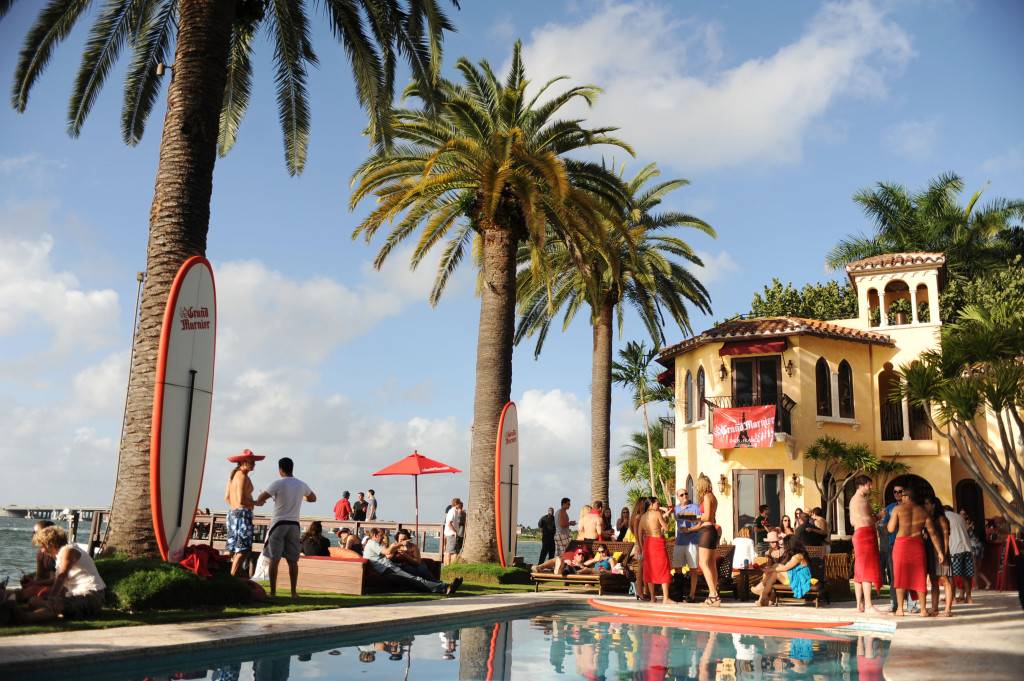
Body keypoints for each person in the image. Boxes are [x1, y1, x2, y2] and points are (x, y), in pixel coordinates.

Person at [254, 457, 316, 599]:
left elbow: (261, 498)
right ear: (292, 468)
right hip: (294, 525)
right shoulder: (301, 484)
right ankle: (293, 593)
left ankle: (273, 592)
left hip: (279, 524)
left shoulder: (278, 483)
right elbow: (313, 498)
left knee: (274, 559)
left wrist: (260, 501)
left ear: (280, 469)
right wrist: (300, 497)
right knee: (293, 561)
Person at [17, 526, 105, 622]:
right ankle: (25, 613)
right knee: (34, 601)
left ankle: (23, 617)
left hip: (90, 596)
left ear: (50, 543)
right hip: (77, 595)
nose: (42, 550)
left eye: (42, 546)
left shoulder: (68, 551)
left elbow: (62, 576)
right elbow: (57, 580)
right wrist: (35, 583)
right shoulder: (62, 554)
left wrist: (51, 598)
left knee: (49, 604)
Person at [887, 487, 944, 617]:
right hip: (917, 546)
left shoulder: (898, 509)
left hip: (901, 545)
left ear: (907, 497)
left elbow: (890, 529)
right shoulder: (923, 512)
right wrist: (940, 552)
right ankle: (923, 610)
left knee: (900, 576)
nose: (901, 497)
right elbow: (933, 534)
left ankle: (900, 609)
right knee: (920, 577)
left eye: (902, 495)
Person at [364, 527, 460, 594]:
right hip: (388, 570)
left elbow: (386, 554)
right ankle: (445, 588)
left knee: (418, 575)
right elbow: (387, 552)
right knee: (416, 579)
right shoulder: (372, 543)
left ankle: (445, 586)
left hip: (392, 568)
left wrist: (398, 548)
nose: (383, 538)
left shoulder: (373, 544)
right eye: (381, 535)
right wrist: (398, 545)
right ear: (375, 535)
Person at [224, 449, 263, 577]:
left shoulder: (233, 476)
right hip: (242, 515)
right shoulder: (241, 476)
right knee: (243, 549)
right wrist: (255, 502)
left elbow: (227, 497)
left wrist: (236, 507)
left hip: (233, 514)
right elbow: (241, 499)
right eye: (251, 462)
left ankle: (223, 575)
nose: (254, 464)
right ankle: (231, 578)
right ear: (243, 462)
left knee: (232, 548)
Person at [849, 474, 883, 613]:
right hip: (865, 536)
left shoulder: (854, 500)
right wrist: (879, 517)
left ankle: (859, 604)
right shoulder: (860, 500)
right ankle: (868, 605)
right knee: (867, 569)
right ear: (861, 485)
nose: (870, 487)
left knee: (859, 570)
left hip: (859, 534)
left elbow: (852, 521)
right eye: (869, 485)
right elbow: (867, 520)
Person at [753, 536, 812, 606]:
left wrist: (770, 569)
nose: (784, 546)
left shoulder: (797, 556)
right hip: (795, 575)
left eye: (785, 544)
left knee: (775, 573)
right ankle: (763, 596)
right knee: (776, 566)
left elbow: (785, 568)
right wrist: (769, 569)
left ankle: (762, 592)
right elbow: (783, 566)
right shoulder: (798, 554)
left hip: (799, 579)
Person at [638, 496, 675, 604]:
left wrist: (642, 547)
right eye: (657, 504)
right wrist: (666, 519)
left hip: (648, 543)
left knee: (650, 569)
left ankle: (652, 597)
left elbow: (639, 534)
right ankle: (665, 598)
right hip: (657, 542)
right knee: (664, 568)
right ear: (651, 504)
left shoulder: (643, 517)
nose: (658, 505)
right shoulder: (657, 513)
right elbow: (666, 528)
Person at [924, 496, 953, 617]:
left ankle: (948, 609)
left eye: (927, 503)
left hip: (940, 552)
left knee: (945, 579)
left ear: (934, 505)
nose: (925, 506)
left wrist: (944, 553)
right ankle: (934, 608)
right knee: (933, 580)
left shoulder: (941, 519)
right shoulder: (929, 519)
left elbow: (946, 537)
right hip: (931, 552)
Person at [672, 488, 702, 602]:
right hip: (679, 541)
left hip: (692, 541)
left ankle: (691, 595)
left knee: (693, 569)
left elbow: (700, 524)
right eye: (682, 494)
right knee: (677, 567)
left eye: (686, 493)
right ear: (678, 497)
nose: (684, 495)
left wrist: (689, 530)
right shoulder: (676, 508)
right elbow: (675, 517)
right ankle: (678, 594)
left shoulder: (695, 507)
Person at [695, 473, 720, 606]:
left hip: (706, 531)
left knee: (703, 563)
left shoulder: (706, 496)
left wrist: (693, 517)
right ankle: (713, 594)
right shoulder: (713, 497)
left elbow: (707, 517)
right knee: (711, 563)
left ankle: (713, 594)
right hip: (711, 531)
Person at [18, 520, 56, 601]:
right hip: (46, 583)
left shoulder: (55, 553)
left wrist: (34, 583)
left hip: (59, 587)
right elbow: (40, 574)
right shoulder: (41, 553)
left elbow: (56, 580)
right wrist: (30, 578)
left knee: (22, 594)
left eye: (36, 532)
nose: (33, 535)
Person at [946, 504, 974, 604]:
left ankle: (952, 598)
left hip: (954, 549)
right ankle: (969, 598)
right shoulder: (959, 517)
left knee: (950, 575)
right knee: (966, 575)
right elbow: (967, 530)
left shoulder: (944, 516)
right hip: (967, 548)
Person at [443, 498, 463, 565]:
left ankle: (447, 565)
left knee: (449, 551)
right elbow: (449, 523)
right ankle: (450, 565)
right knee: (452, 552)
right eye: (459, 503)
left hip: (450, 533)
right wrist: (455, 532)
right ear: (456, 504)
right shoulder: (453, 511)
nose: (460, 504)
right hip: (451, 534)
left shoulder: (454, 511)